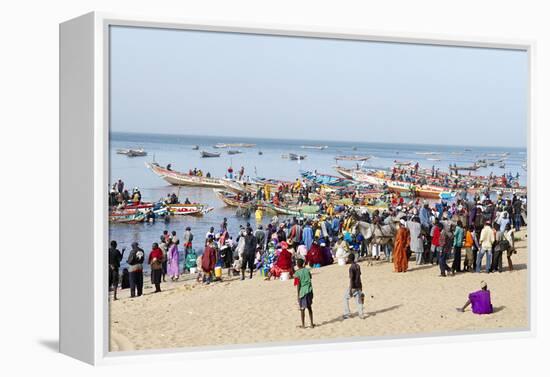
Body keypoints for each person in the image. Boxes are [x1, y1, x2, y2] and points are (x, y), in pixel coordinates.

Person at [343, 253, 365, 319]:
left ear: (350, 259)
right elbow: (359, 277)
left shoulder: (351, 268)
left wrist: (350, 289)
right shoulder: (358, 266)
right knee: (359, 300)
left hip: (353, 286)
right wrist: (361, 286)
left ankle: (347, 314)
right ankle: (361, 314)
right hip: (358, 285)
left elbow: (351, 279)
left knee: (345, 298)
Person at [294, 258, 314, 328]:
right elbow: (310, 277)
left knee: (302, 308)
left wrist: (298, 294)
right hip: (309, 290)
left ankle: (303, 325)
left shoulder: (296, 273)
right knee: (309, 307)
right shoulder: (307, 270)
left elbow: (297, 284)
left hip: (302, 292)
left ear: (297, 265)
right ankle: (311, 324)